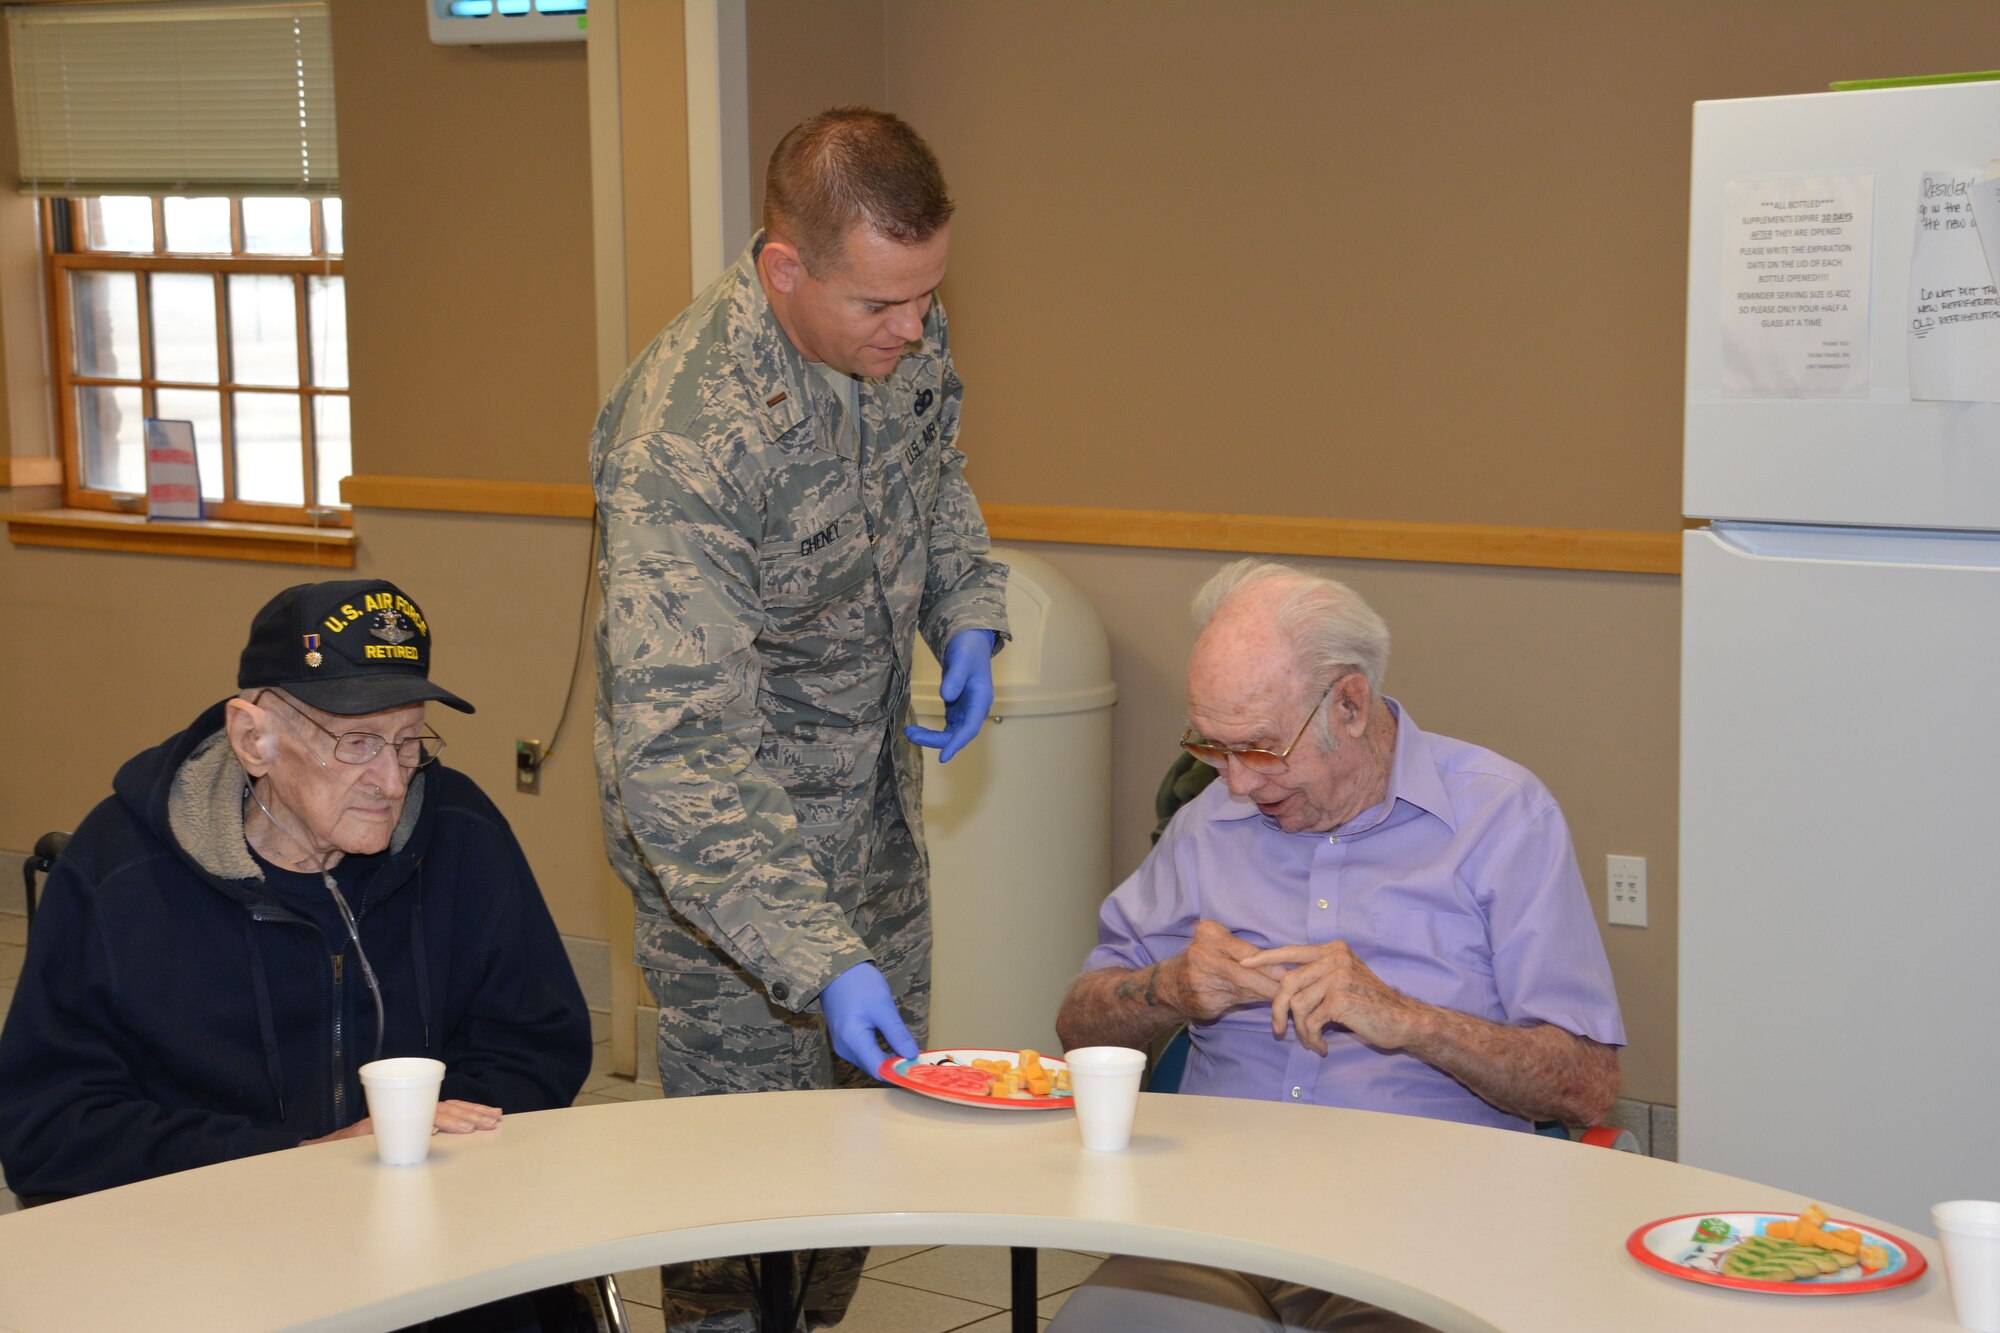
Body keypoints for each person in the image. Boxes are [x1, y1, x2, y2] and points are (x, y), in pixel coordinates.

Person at [590, 106, 1009, 1330]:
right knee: (740, 1220)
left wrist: (966, 610)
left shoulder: (897, 320)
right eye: (882, 306)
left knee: (858, 1184)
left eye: (927, 297)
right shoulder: (683, 440)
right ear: (784, 267)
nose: (913, 328)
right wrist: (818, 961)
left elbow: (939, 475)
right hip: (736, 895)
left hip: (872, 834)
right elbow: (678, 759)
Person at [0, 579, 593, 1332]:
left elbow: (538, 1042)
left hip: (437, 1245)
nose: (391, 778)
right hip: (201, 1260)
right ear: (255, 740)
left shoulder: (461, 830)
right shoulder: (121, 870)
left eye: (410, 741)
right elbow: (48, 1127)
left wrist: (430, 1143)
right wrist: (299, 1158)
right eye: (357, 743)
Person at [1049, 559, 1625, 1333]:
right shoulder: (1207, 826)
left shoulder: (1501, 818)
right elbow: (1077, 1025)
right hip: (1208, 1224)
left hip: (1425, 1234)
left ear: (1349, 704)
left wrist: (1411, 1019)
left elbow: (1587, 1083)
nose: (1237, 786)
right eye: (1210, 748)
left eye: (1257, 747)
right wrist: (1171, 988)